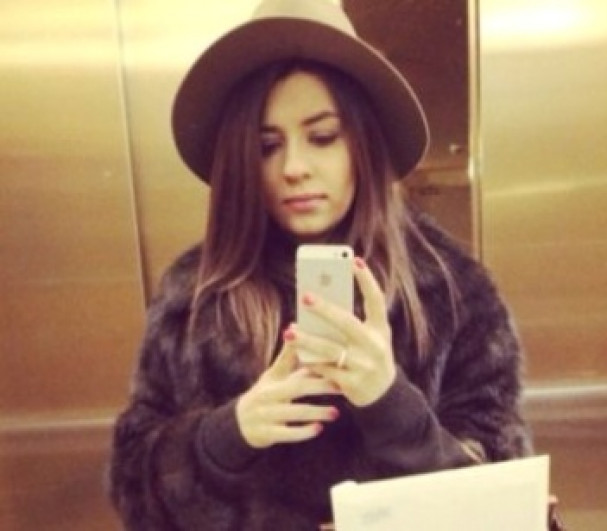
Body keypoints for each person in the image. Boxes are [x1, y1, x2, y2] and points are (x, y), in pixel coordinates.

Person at [108, 0, 532, 529]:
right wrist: (224, 437)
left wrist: (392, 406)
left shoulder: (450, 291)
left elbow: (497, 500)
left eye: (323, 136)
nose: (294, 167)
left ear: (363, 144)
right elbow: (133, 490)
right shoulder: (193, 297)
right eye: (267, 145)